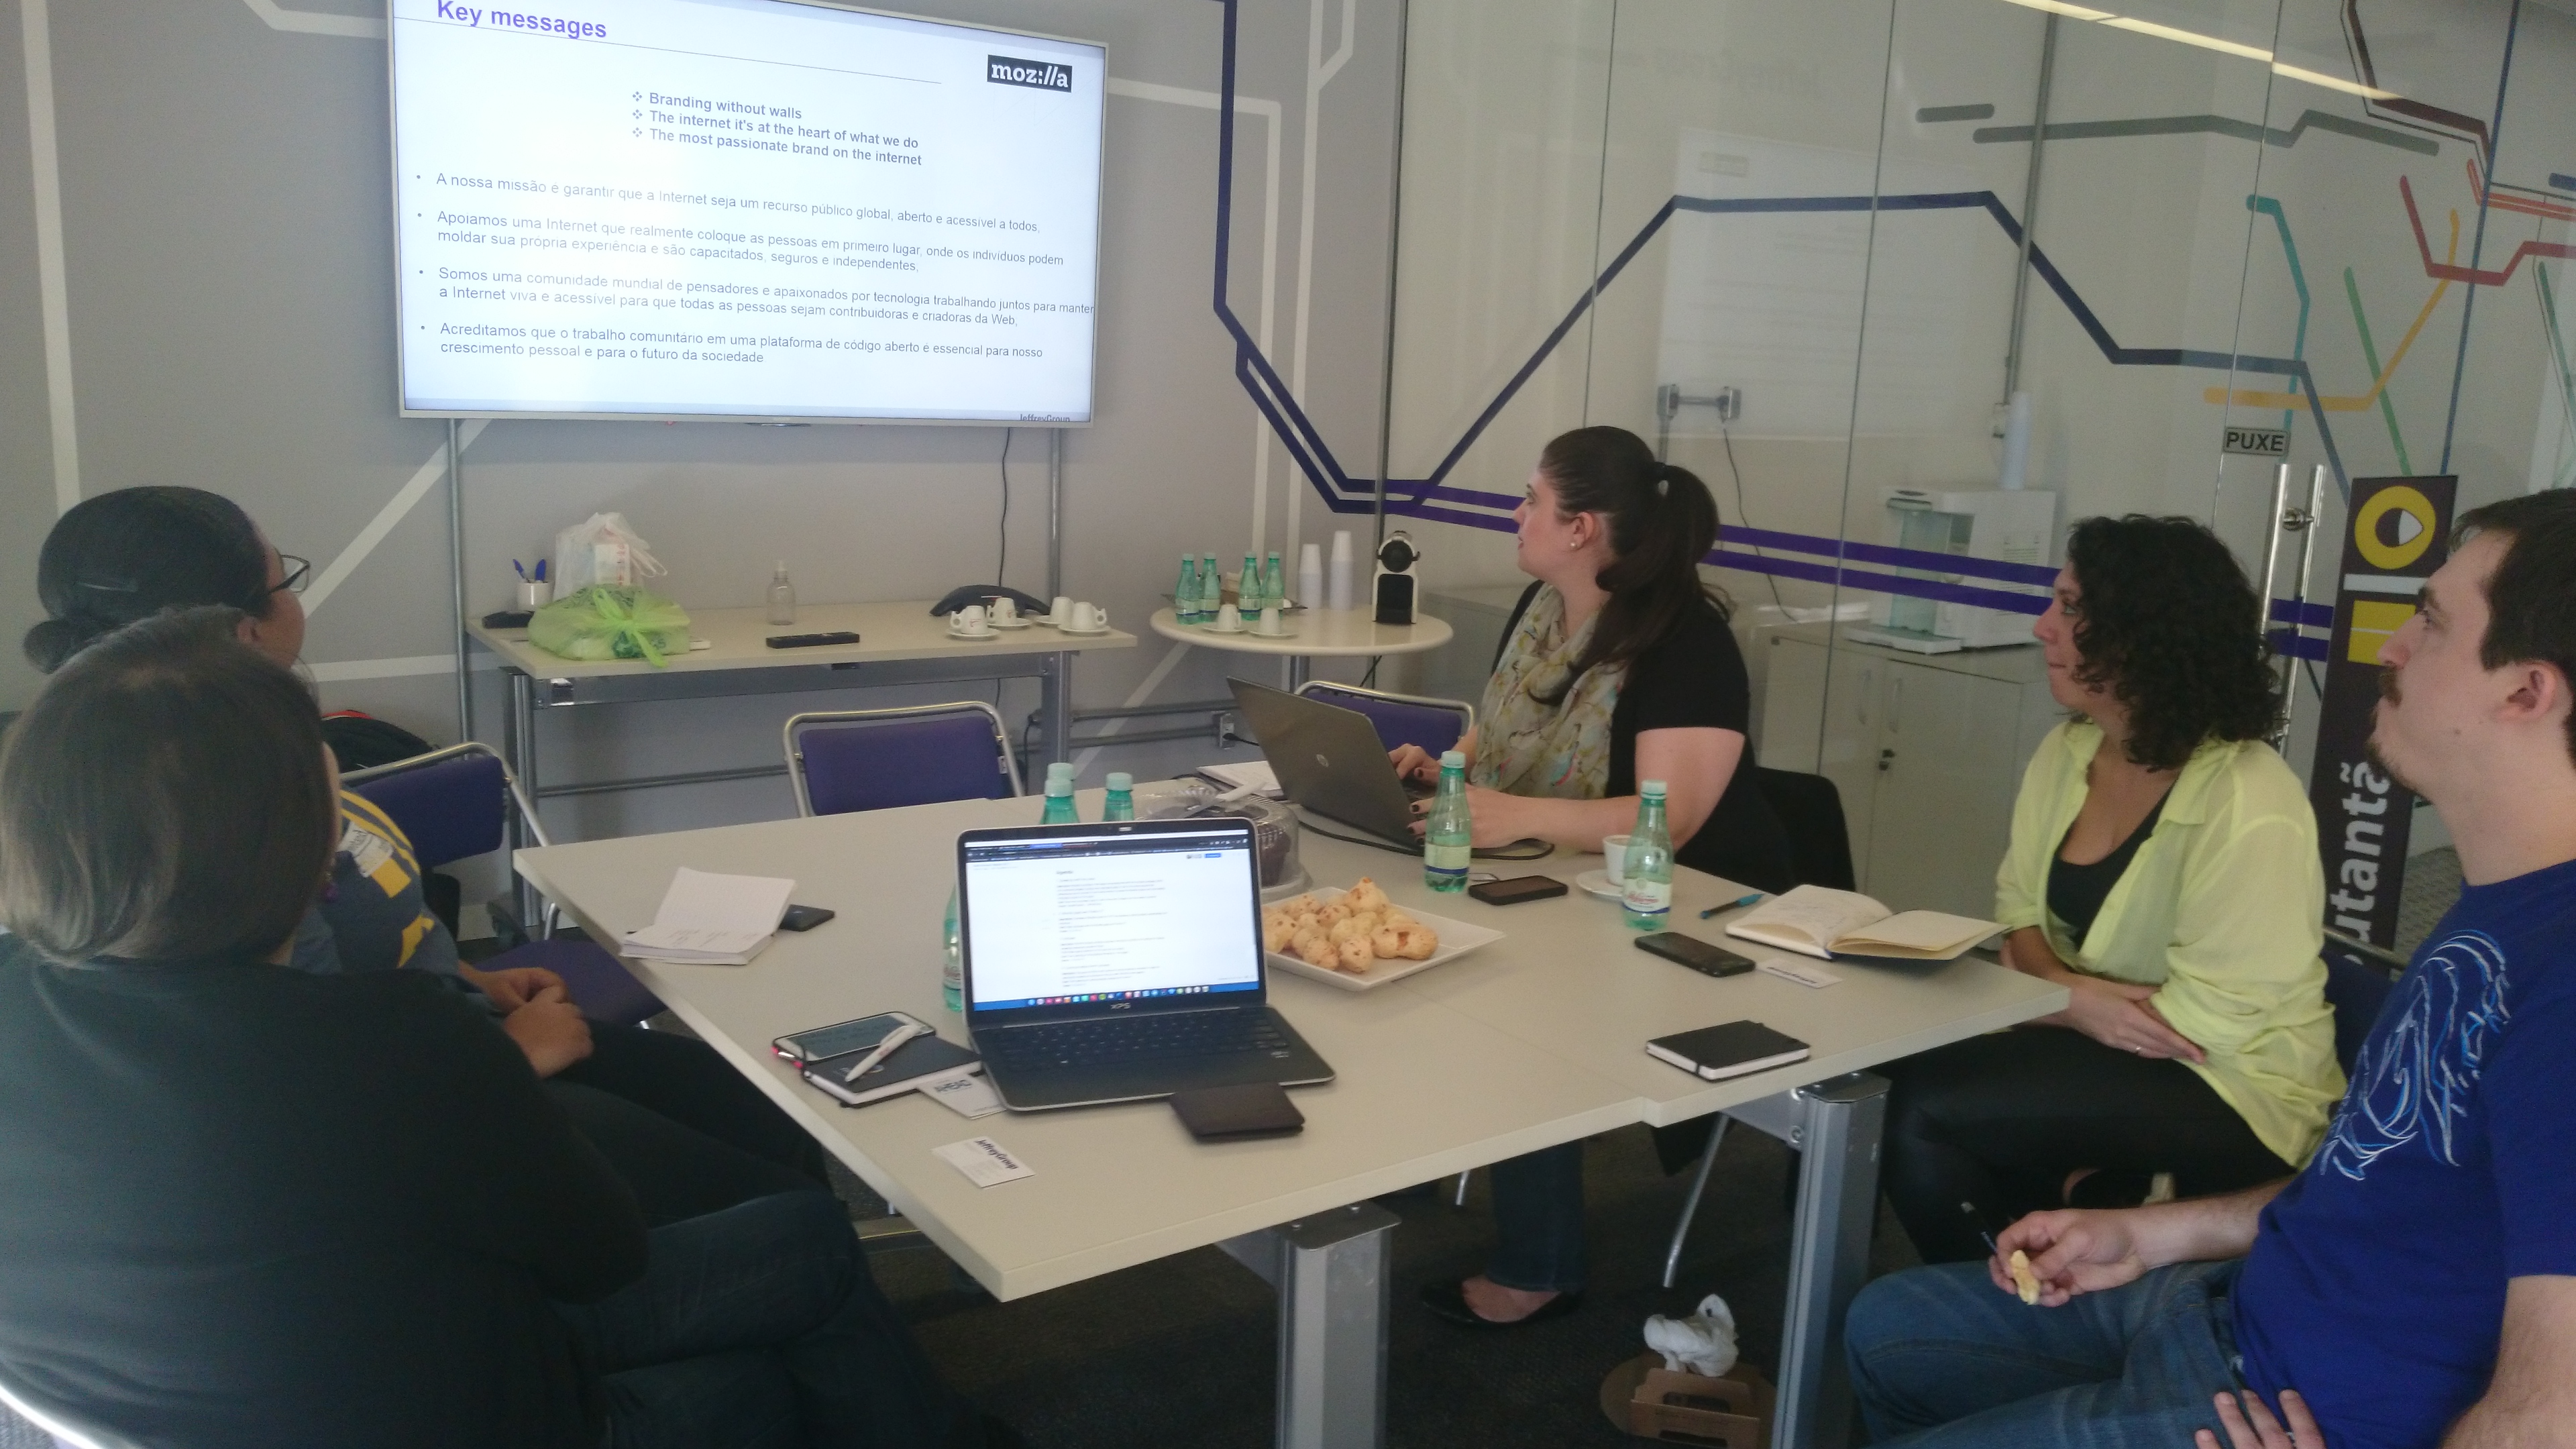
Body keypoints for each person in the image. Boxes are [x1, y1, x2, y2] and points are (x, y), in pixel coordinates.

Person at [0, 610, 991, 1448]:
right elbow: (604, 1260)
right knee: (806, 1247)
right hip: (473, 1412)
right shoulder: (399, 1045)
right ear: (307, 852)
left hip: (193, 1407)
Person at [1843, 490, 2576, 1447]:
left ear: (2525, 691)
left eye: (2430, 622)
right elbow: (2362, 1178)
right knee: (1880, 1332)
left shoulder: (2558, 975)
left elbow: (2553, 1411)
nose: (2390, 648)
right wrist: (2154, 1232)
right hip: (2229, 1303)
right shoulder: (2494, 917)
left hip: (2284, 1404)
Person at [25, 485, 824, 1224]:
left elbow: (360, 952)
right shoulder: (224, 810)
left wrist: (467, 974)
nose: (294, 599)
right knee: (780, 1208)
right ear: (242, 627)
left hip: (465, 1036)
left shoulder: (218, 752)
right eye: (283, 580)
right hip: (440, 1098)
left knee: (764, 1104)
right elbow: (306, 1067)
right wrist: (514, 1058)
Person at [1401, 425, 1794, 1328]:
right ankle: (1415, 1162)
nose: (1519, 513)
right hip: (1572, 878)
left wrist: (1515, 814)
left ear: (1580, 529)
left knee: (1521, 1004)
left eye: (1532, 499)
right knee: (1423, 947)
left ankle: (1541, 1267)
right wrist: (1449, 769)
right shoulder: (1541, 611)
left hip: (1696, 904)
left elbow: (1673, 819)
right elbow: (1500, 736)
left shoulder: (1688, 643)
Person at [1875, 515, 2345, 1264]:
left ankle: (2010, 1313)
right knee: (1890, 1068)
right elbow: (2017, 916)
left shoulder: (2250, 798)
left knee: (1923, 1108)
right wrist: (2073, 1002)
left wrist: (2056, 1001)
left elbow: (2200, 1027)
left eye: (2068, 608)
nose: (2041, 628)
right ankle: (2050, 1253)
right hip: (2108, 1049)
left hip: (2235, 1089)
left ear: (2139, 635)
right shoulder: (2069, 751)